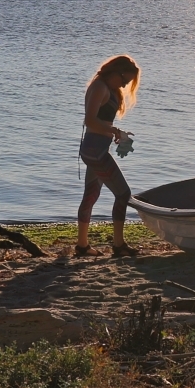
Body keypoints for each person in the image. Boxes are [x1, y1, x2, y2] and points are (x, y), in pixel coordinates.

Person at [76, 54, 141, 257]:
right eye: (123, 81)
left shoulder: (107, 88)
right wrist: (113, 131)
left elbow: (100, 123)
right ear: (115, 72)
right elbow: (90, 121)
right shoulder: (99, 88)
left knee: (91, 195)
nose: (123, 86)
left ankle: (82, 246)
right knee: (123, 194)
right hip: (94, 152)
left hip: (95, 150)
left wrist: (116, 132)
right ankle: (118, 245)